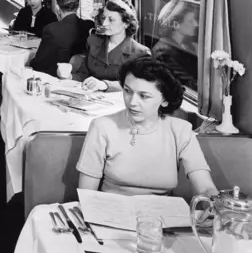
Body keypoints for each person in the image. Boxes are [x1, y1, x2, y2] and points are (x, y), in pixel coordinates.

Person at [76, 57, 218, 197]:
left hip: (161, 216)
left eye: (144, 96)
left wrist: (215, 204)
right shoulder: (102, 127)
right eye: (128, 91)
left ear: (165, 100)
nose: (132, 102)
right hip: (111, 213)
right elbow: (87, 194)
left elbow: (205, 188)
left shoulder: (181, 131)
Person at [74, 0, 150, 91]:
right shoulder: (93, 41)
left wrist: (104, 84)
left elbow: (138, 85)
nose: (104, 23)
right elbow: (83, 74)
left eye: (111, 20)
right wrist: (68, 76)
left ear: (126, 23)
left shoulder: (140, 53)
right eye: (104, 18)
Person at [30, 0, 94, 76]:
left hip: (56, 75)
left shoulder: (51, 29)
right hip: (80, 75)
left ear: (57, 7)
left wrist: (30, 63)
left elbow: (40, 61)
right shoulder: (89, 25)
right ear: (78, 6)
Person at [151, 0, 199, 90]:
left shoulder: (187, 45)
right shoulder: (164, 52)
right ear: (176, 24)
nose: (196, 24)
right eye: (190, 21)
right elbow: (189, 84)